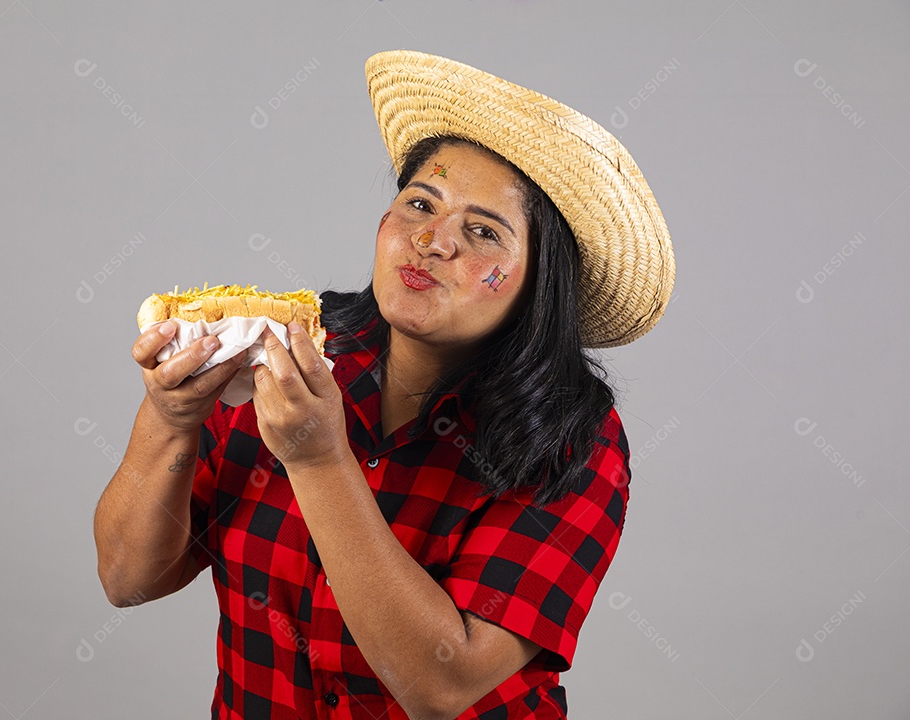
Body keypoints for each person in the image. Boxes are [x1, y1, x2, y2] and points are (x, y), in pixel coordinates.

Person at [93, 50, 675, 719]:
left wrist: (318, 460)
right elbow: (127, 579)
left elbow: (443, 687)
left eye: (482, 231)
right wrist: (169, 421)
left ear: (541, 283)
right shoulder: (284, 351)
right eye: (420, 203)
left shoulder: (576, 441)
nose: (431, 240)